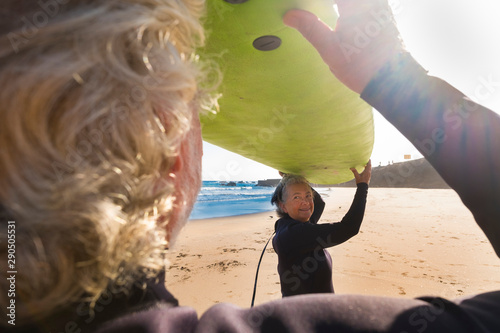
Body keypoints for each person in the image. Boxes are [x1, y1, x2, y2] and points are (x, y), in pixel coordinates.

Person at [1, 0, 500, 332]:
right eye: (193, 105)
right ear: (169, 154)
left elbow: (326, 215)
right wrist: (394, 79)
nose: (305, 198)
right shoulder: (295, 242)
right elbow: (341, 229)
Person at [271, 164, 371, 297]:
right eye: (296, 197)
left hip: (321, 310)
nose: (305, 202)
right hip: (306, 315)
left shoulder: (294, 224)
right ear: (283, 206)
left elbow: (319, 203)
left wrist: (292, 178)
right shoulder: (294, 234)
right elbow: (349, 228)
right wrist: (362, 186)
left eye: (308, 196)